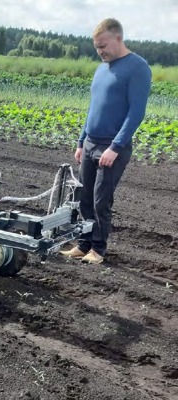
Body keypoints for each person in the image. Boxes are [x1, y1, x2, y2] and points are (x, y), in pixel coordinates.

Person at [60, 18, 152, 264]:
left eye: (103, 46)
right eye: (96, 47)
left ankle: (98, 250)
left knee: (101, 200)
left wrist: (115, 147)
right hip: (91, 142)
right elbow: (93, 108)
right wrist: (81, 142)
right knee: (84, 198)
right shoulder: (101, 69)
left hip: (112, 147)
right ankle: (84, 244)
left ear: (118, 38)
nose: (100, 51)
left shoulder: (137, 67)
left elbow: (136, 113)